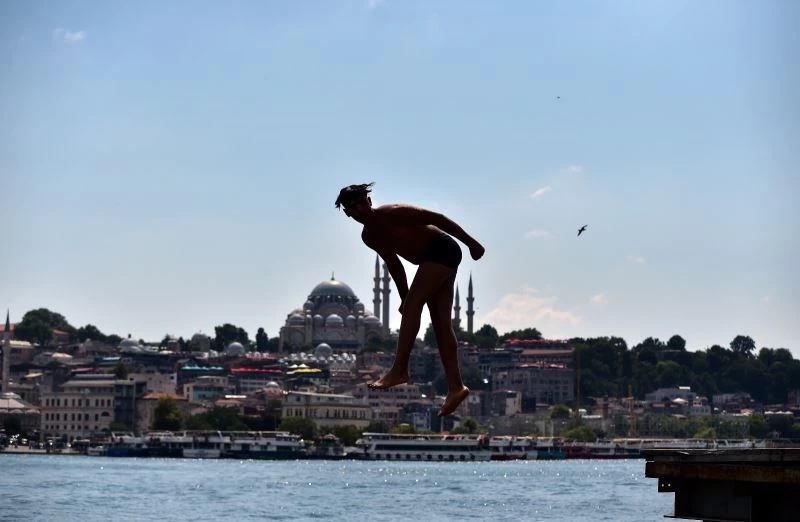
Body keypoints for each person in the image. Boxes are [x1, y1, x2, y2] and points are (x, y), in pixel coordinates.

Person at [335, 182, 485, 416]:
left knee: (417, 305)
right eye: (352, 207)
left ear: (369, 201)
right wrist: (405, 296)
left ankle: (400, 368)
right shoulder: (369, 236)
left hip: (442, 250)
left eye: (361, 203)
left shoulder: (393, 212)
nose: (358, 209)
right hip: (429, 260)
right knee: (441, 325)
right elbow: (394, 263)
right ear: (347, 213)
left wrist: (472, 243)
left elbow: (439, 218)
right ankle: (456, 387)